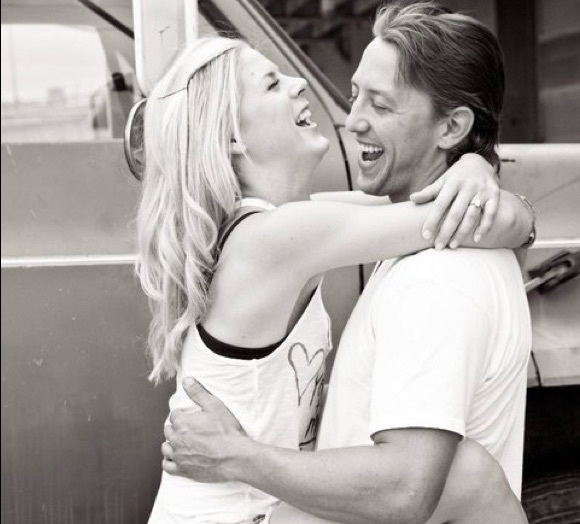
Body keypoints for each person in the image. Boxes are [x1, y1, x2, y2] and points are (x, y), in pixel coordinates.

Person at [137, 28, 532, 523]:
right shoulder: (275, 238)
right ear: (233, 136)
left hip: (261, 507)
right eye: (271, 84)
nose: (298, 82)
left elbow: (424, 210)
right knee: (469, 475)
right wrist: (484, 177)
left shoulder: (284, 225)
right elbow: (453, 218)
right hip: (237, 515)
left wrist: (477, 172)